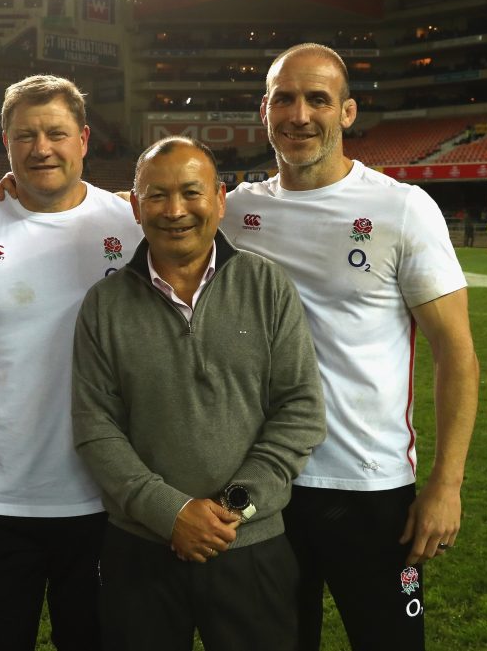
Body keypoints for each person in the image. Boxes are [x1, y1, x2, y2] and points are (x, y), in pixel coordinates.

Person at [222, 43, 480, 651]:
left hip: (369, 485)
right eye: (284, 98)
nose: (300, 114)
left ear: (347, 112)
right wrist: (11, 188)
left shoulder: (402, 208)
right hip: (265, 484)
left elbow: (457, 354)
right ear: (265, 110)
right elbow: (139, 213)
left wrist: (447, 483)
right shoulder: (234, 211)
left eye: (318, 99)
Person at [0, 74, 144, 651]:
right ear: (6, 142)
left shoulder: (129, 225)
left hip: (106, 500)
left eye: (56, 133)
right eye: (26, 136)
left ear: (84, 138)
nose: (42, 148)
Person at [71, 136, 327, 651]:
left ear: (220, 198)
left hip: (250, 543)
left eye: (192, 192)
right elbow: (96, 428)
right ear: (136, 207)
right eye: (157, 196)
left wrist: (236, 506)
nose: (175, 211)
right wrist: (171, 513)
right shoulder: (104, 304)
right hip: (140, 549)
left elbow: (300, 409)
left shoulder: (265, 286)